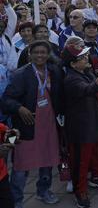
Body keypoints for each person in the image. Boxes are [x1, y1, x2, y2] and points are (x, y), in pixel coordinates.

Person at [1, 41, 64, 207]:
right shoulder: (20, 74)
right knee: (21, 167)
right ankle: (17, 200)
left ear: (48, 54)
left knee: (48, 161)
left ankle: (43, 191)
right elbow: (6, 100)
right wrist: (20, 108)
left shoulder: (54, 72)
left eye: (43, 52)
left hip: (49, 125)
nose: (40, 55)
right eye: (36, 52)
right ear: (29, 54)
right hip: (25, 128)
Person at [63, 43, 98, 207]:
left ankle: (96, 178)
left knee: (94, 154)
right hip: (81, 129)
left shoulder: (85, 72)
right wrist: (96, 85)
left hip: (93, 123)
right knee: (80, 162)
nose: (87, 58)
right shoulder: (71, 79)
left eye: (86, 55)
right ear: (72, 64)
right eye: (82, 57)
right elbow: (85, 89)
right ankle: (80, 191)